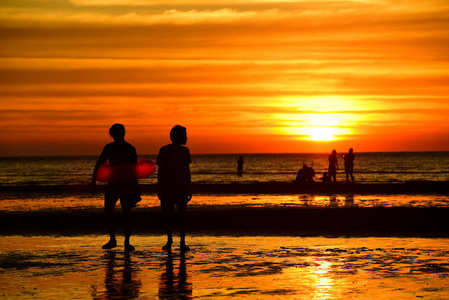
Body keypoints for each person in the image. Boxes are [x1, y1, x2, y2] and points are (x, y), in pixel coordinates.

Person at [91, 123, 140, 252]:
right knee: (114, 213)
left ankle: (123, 242)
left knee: (121, 213)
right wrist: (93, 181)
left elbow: (134, 170)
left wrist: (93, 182)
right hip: (117, 184)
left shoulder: (128, 148)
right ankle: (118, 241)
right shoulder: (118, 148)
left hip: (123, 185)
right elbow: (100, 163)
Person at [157, 125, 192, 252]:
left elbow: (186, 172)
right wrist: (188, 187)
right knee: (177, 216)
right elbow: (186, 172)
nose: (187, 138)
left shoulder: (179, 150)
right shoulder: (178, 151)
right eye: (185, 135)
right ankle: (176, 242)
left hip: (174, 188)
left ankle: (175, 242)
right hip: (174, 188)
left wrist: (188, 188)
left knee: (172, 216)